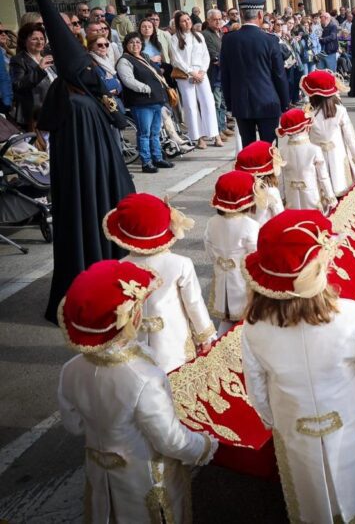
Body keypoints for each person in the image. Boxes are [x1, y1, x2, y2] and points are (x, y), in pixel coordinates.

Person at [240, 209, 355, 522]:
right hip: (348, 420)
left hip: (295, 426)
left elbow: (255, 386)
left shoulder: (253, 328)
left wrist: (273, 420)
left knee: (311, 494)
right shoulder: (351, 315)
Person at [20, 0, 135, 325]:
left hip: (85, 188)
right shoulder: (77, 105)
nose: (91, 72)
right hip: (87, 188)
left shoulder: (76, 97)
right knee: (89, 227)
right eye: (86, 68)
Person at [57, 260, 217, 524]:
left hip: (99, 468)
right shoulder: (144, 377)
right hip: (145, 476)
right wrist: (205, 446)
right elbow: (170, 440)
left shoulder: (70, 369)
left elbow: (74, 425)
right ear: (132, 318)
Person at [104, 193, 216, 371]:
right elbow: (193, 303)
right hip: (173, 342)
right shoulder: (180, 264)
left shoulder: (117, 268)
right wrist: (205, 335)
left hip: (133, 342)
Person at [220, 0, 289, 145]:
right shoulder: (270, 40)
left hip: (241, 101)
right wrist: (284, 102)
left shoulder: (229, 40)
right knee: (270, 147)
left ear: (241, 15)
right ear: (259, 15)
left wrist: (230, 103)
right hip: (268, 101)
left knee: (248, 148)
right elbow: (279, 74)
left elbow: (225, 75)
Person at [204, 170, 260, 334]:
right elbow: (255, 255)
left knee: (226, 316)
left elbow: (208, 247)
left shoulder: (212, 222)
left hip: (222, 275)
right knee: (245, 319)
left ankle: (220, 342)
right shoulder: (250, 225)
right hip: (243, 281)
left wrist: (220, 263)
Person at [301, 70, 355, 197]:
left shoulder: (308, 114)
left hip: (317, 158)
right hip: (338, 156)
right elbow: (350, 139)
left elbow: (304, 141)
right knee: (343, 190)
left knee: (322, 192)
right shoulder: (340, 111)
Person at [116, 31, 173, 173]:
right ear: (126, 45)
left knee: (155, 132)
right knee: (144, 133)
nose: (135, 45)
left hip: (156, 100)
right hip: (141, 102)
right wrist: (146, 88)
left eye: (138, 42)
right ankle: (146, 162)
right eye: (131, 42)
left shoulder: (144, 57)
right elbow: (128, 80)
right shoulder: (124, 60)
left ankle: (157, 158)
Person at [169, 10, 221, 149]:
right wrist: (191, 72)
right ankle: (198, 137)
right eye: (183, 21)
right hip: (185, 75)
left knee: (208, 102)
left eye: (188, 19)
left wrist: (202, 71)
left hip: (201, 72)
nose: (187, 22)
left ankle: (215, 134)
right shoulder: (175, 38)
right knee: (191, 106)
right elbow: (176, 60)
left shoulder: (199, 35)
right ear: (178, 24)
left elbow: (205, 55)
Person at [277, 108, 332, 211]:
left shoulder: (281, 151)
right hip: (312, 198)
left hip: (291, 198)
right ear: (306, 126)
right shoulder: (314, 149)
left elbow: (280, 180)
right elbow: (323, 177)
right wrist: (331, 198)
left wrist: (282, 199)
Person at [9, 22, 54, 132]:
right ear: (24, 41)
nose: (40, 42)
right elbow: (18, 85)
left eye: (42, 38)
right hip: (35, 116)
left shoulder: (49, 57)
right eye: (34, 39)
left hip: (56, 110)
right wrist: (39, 69)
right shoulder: (18, 60)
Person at [234, 140, 284, 226]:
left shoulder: (241, 188)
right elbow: (280, 216)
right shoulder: (271, 190)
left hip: (245, 230)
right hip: (265, 231)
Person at [202, 9, 231, 141]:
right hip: (214, 74)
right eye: (215, 19)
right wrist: (224, 59)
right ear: (208, 20)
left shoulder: (221, 33)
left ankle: (223, 126)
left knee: (223, 103)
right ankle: (217, 130)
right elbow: (212, 54)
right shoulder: (205, 35)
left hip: (223, 74)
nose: (218, 21)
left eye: (220, 19)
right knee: (217, 103)